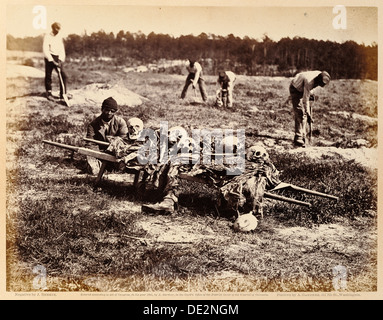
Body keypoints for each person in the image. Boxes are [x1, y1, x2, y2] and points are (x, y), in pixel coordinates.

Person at [85, 97, 128, 174]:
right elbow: (90, 143)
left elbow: (124, 140)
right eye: (107, 110)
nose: (109, 113)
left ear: (115, 111)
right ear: (102, 109)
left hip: (115, 153)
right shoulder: (93, 124)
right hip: (99, 153)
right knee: (94, 170)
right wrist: (99, 155)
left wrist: (113, 149)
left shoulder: (121, 122)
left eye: (112, 111)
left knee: (122, 168)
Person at [289, 70, 331, 147]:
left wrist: (311, 94)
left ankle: (304, 135)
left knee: (305, 114)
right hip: (295, 88)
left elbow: (311, 90)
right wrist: (308, 112)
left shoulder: (320, 75)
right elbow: (305, 100)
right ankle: (298, 136)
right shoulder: (309, 82)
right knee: (300, 112)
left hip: (305, 87)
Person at [43, 22, 68, 102]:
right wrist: (52, 61)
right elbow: (45, 49)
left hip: (58, 57)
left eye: (59, 29)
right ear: (53, 28)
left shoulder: (59, 36)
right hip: (49, 57)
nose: (58, 30)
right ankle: (49, 93)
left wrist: (60, 60)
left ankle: (62, 94)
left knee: (64, 76)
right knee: (48, 75)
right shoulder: (47, 36)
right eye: (56, 28)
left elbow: (61, 49)